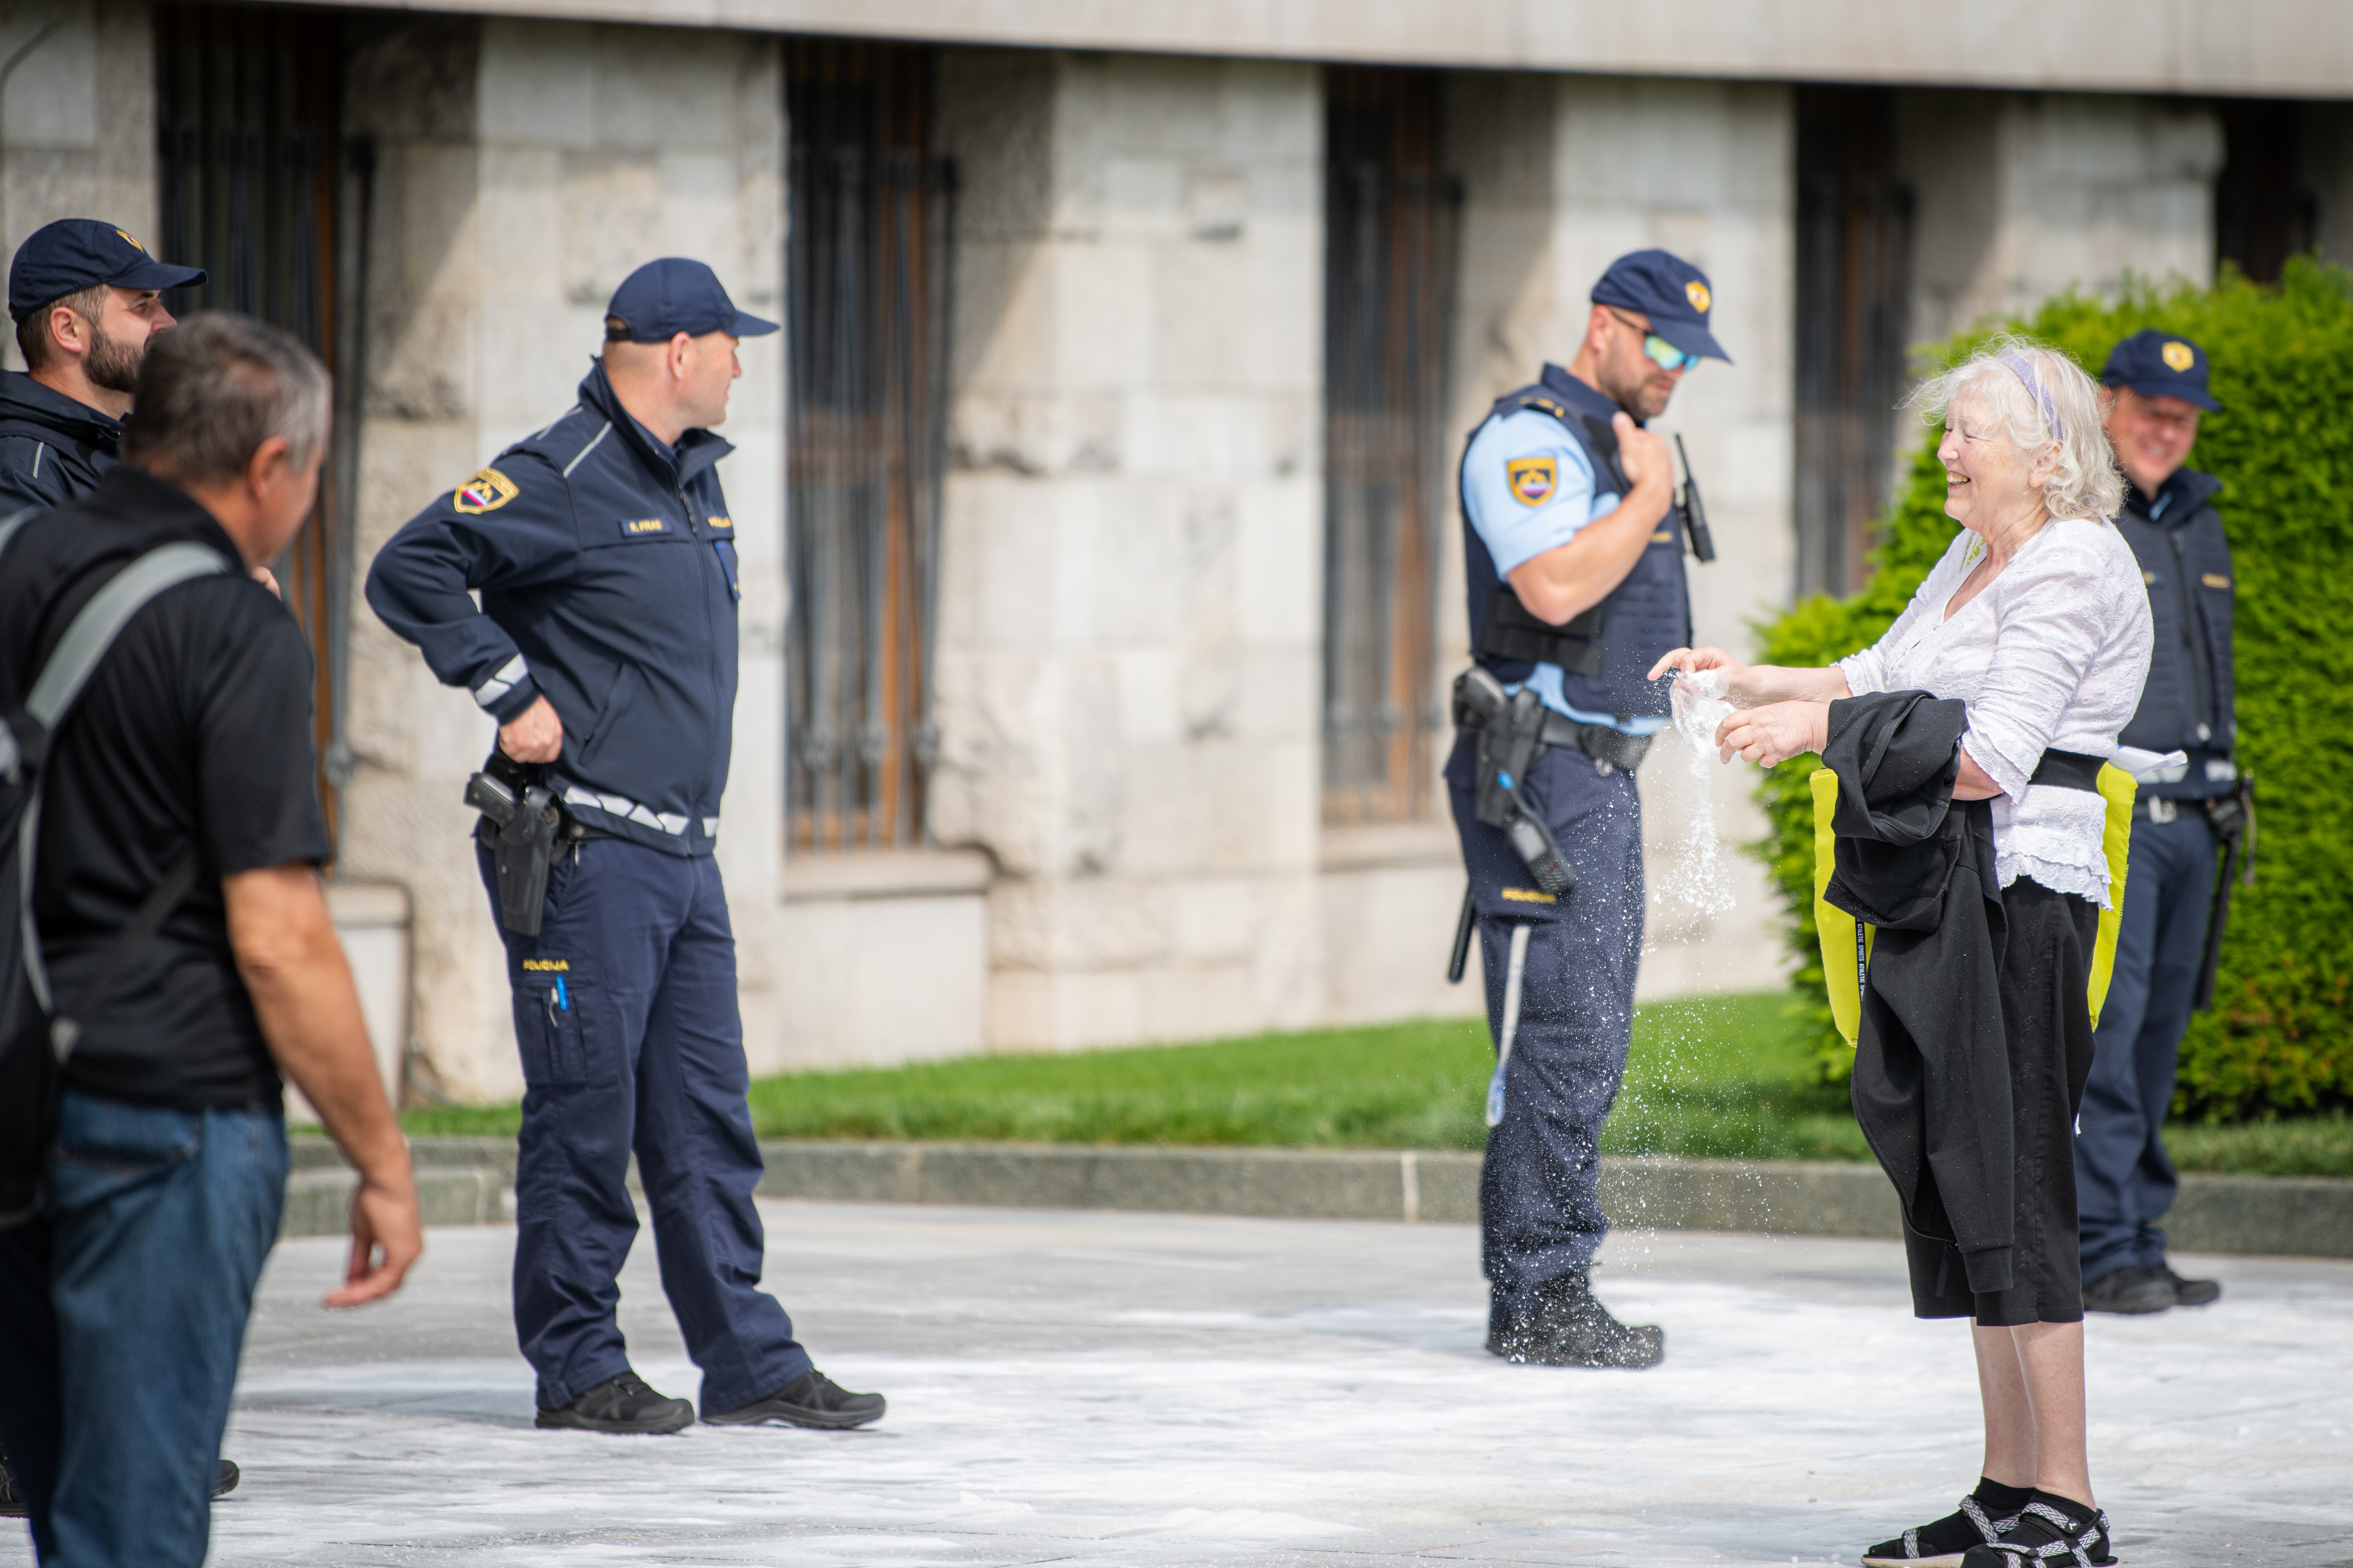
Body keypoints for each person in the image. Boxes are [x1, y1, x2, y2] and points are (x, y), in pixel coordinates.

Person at [365, 258, 884, 1435]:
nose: (743, 362)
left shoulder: (695, 481)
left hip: (683, 860)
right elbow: (411, 568)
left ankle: (747, 1360)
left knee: (705, 1117)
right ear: (675, 350)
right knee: (583, 1119)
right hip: (588, 853)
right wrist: (507, 688)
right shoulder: (563, 472)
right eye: (730, 341)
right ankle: (579, 1365)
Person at [1655, 337, 2149, 1568]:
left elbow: (1990, 756)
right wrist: (1749, 676)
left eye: (1964, 433)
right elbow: (1884, 673)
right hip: (1940, 894)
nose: (1943, 452)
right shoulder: (1976, 558)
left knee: (2021, 1179)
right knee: (1960, 1186)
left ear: (2042, 455)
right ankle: (2003, 1487)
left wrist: (1818, 729)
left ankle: (2069, 1507)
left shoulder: (2071, 561)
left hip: (2019, 901)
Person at [0, 313, 423, 1567]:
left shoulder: (19, 566)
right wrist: (383, 1163)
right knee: (131, 1523)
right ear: (272, 464)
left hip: (16, 1089)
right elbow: (282, 935)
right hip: (163, 1109)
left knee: (63, 1486)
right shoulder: (233, 628)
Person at [1447, 249, 1729, 1369]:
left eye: (1690, 358)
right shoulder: (1531, 437)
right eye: (1663, 349)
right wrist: (1652, 493)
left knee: (1591, 1041)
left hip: (1597, 776)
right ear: (1605, 326)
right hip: (1539, 778)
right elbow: (1552, 587)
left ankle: (1554, 1280)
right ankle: (1535, 1297)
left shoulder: (1623, 439)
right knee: (1552, 1042)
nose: (1676, 373)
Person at [2073, 330, 2232, 1316]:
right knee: (2107, 1030)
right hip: (2119, 815)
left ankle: (2138, 1233)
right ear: (2105, 405)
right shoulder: (2084, 520)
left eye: (2182, 417)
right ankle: (2094, 1248)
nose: (2166, 431)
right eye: (2148, 411)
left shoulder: (2197, 520)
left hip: (2196, 822)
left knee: (2159, 1039)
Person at [1, 218, 201, 512]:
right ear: (69, 330)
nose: (168, 322)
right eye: (141, 304)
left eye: (159, 301)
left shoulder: (127, 447)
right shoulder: (24, 476)